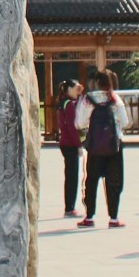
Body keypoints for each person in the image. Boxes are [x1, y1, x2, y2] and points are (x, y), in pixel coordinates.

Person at [77, 68, 127, 228]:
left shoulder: (87, 99)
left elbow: (79, 123)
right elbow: (125, 122)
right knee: (114, 181)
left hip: (95, 147)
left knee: (91, 181)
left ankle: (89, 216)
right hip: (114, 146)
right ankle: (113, 218)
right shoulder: (115, 98)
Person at [56, 79, 83, 217]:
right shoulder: (70, 105)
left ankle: (69, 205)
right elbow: (72, 127)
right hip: (70, 143)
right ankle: (70, 207)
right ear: (69, 89)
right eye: (76, 88)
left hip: (64, 142)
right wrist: (79, 144)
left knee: (69, 175)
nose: (78, 90)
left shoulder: (63, 102)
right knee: (72, 177)